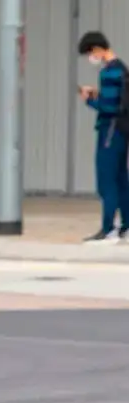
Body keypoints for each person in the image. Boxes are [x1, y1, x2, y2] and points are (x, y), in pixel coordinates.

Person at [77, 30, 129, 244]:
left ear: (97, 49)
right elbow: (118, 100)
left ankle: (108, 229)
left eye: (90, 53)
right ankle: (125, 226)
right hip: (122, 131)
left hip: (109, 130)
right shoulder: (122, 68)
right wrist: (98, 94)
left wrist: (88, 100)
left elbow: (108, 107)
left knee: (106, 181)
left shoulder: (108, 72)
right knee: (121, 179)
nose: (91, 58)